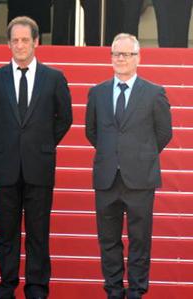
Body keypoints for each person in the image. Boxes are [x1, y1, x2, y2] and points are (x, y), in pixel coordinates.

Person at [0, 16, 73, 299]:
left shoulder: (54, 78)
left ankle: (36, 288)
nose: (20, 45)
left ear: (36, 42)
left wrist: (43, 144)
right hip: (6, 166)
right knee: (6, 234)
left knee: (38, 233)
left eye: (25, 40)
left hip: (39, 166)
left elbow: (64, 118)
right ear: (8, 43)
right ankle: (6, 287)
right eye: (15, 40)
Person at [85, 33, 172, 299]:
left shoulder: (154, 92)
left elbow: (164, 133)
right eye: (116, 54)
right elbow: (92, 131)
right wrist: (114, 154)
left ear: (138, 58)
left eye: (126, 54)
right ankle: (113, 290)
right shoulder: (97, 92)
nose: (120, 59)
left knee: (139, 240)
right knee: (108, 240)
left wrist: (140, 155)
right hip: (107, 178)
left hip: (140, 179)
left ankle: (136, 291)